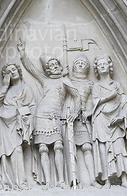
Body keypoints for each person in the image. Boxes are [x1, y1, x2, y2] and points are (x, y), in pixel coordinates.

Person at [17, 39, 78, 189]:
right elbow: (31, 69)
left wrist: (75, 112)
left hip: (55, 116)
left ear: (59, 65)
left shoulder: (65, 81)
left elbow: (77, 96)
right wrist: (23, 53)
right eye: (50, 65)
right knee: (43, 148)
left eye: (55, 64)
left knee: (58, 146)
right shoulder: (45, 80)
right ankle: (48, 181)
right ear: (47, 69)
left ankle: (61, 180)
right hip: (41, 115)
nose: (54, 67)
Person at [0, 63, 36, 190]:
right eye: (8, 72)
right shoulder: (5, 90)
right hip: (1, 122)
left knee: (17, 150)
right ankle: (6, 182)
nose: (12, 72)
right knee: (3, 152)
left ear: (19, 71)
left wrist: (29, 121)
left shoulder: (25, 88)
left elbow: (32, 106)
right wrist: (4, 85)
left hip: (16, 122)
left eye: (14, 69)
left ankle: (21, 182)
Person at [91, 55, 127, 189]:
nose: (102, 66)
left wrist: (122, 116)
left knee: (119, 148)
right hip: (101, 119)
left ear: (109, 67)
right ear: (96, 69)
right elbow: (94, 102)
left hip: (116, 119)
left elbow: (126, 102)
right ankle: (107, 181)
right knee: (104, 149)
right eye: (100, 64)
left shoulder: (117, 85)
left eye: (105, 64)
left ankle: (124, 180)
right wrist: (109, 96)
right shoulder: (96, 86)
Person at [65, 54, 98, 187]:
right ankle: (74, 179)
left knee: (87, 147)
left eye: (83, 63)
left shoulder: (90, 84)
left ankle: (92, 179)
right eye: (77, 62)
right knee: (70, 148)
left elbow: (95, 101)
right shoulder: (68, 81)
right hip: (69, 117)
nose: (80, 65)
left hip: (82, 117)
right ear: (73, 66)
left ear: (88, 68)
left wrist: (89, 111)